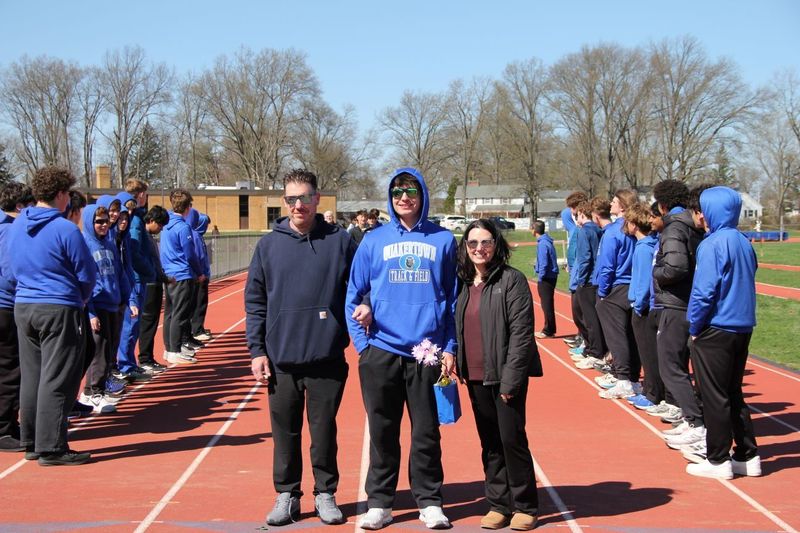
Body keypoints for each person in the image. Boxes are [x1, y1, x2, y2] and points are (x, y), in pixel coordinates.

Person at [345, 167, 457, 530]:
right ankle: (380, 501)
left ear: (422, 194)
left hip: (426, 351)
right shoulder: (373, 240)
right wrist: (364, 346)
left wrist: (449, 346)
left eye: (410, 190)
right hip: (381, 350)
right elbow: (352, 295)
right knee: (382, 430)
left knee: (426, 431)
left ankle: (429, 501)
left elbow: (453, 299)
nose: (404, 197)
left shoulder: (443, 240)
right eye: (396, 192)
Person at [246, 169, 357, 527]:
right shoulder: (267, 246)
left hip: (326, 357)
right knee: (285, 434)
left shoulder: (340, 241)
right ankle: (287, 495)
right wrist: (257, 351)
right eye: (292, 199)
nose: (299, 205)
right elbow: (255, 302)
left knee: (324, 431)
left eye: (305, 198)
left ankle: (325, 493)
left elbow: (362, 284)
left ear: (317, 199)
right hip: (281, 360)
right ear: (284, 202)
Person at [455, 219, 542, 531]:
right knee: (490, 442)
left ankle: (525, 505)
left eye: (486, 242)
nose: (480, 248)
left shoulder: (512, 280)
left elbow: (521, 335)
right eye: (473, 243)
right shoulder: (463, 283)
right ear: (465, 248)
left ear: (496, 244)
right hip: (475, 375)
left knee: (511, 439)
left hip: (505, 376)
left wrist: (511, 379)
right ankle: (498, 503)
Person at [7, 166, 96, 465]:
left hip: (24, 305)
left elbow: (9, 268)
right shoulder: (65, 228)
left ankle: (31, 440)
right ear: (60, 194)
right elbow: (86, 272)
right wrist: (80, 298)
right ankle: (52, 447)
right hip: (58, 306)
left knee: (32, 376)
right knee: (59, 377)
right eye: (68, 195)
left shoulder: (18, 225)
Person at [685, 186, 760, 479]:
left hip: (716, 326)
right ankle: (746, 454)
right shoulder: (743, 241)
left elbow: (704, 292)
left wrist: (694, 326)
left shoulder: (712, 244)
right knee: (733, 391)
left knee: (713, 395)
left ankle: (717, 459)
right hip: (743, 325)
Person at [652, 180, 707, 450]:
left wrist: (656, 273)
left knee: (670, 366)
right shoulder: (692, 228)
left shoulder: (674, 228)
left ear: (662, 204)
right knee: (680, 364)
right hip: (688, 302)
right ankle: (692, 417)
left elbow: (675, 267)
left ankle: (697, 423)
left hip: (676, 304)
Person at [79, 204, 138, 413]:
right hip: (98, 304)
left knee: (110, 350)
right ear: (89, 222)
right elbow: (84, 280)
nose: (104, 225)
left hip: (114, 304)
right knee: (99, 351)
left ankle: (99, 389)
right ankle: (92, 392)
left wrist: (128, 299)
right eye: (98, 222)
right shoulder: (85, 245)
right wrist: (92, 312)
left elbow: (121, 274)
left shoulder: (111, 244)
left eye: (105, 221)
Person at [594, 190, 640, 399]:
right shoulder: (636, 229)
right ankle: (631, 378)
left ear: (622, 206)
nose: (610, 204)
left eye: (613, 201)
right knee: (631, 335)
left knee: (616, 336)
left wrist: (603, 293)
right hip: (634, 286)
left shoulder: (613, 232)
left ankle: (623, 379)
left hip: (617, 287)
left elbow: (607, 266)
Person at [0, 181, 34, 452]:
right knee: (11, 369)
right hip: (6, 305)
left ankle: (8, 423)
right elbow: (11, 272)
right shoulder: (10, 231)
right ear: (21, 206)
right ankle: (4, 428)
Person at [623, 203, 662, 410]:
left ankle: (653, 393)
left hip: (644, 309)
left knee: (648, 353)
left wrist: (639, 304)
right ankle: (651, 389)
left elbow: (646, 280)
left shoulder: (645, 249)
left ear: (634, 224)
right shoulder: (643, 247)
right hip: (640, 304)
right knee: (645, 351)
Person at [161, 189, 206, 364]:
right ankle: (174, 349)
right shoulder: (182, 227)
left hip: (169, 273)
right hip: (181, 273)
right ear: (188, 207)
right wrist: (199, 272)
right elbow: (190, 253)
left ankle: (170, 348)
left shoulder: (166, 225)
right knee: (180, 314)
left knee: (170, 313)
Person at [570, 200, 605, 370]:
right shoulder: (599, 229)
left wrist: (581, 281)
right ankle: (597, 350)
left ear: (582, 215)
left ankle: (594, 352)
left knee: (590, 319)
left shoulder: (585, 231)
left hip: (588, 280)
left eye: (577, 216)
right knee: (595, 318)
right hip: (598, 278)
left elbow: (585, 258)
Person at [137, 206, 171, 373]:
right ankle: (144, 358)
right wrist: (155, 276)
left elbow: (156, 263)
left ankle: (147, 357)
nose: (161, 228)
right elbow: (148, 263)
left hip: (155, 282)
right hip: (149, 285)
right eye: (160, 224)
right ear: (151, 220)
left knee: (152, 322)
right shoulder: (143, 237)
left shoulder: (149, 237)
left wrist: (163, 277)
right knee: (147, 323)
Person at [561, 191, 587, 349]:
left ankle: (587, 343)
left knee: (583, 313)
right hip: (575, 271)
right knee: (577, 312)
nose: (571, 212)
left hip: (582, 276)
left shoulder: (585, 230)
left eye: (573, 208)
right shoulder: (575, 226)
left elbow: (584, 255)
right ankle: (582, 337)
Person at [186, 209, 212, 342]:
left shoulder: (198, 236)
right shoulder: (195, 236)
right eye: (205, 224)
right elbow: (198, 256)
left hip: (202, 274)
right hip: (199, 276)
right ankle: (197, 329)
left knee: (201, 303)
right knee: (198, 303)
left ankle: (198, 327)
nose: (207, 227)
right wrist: (201, 273)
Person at [533, 220, 558, 338]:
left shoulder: (543, 244)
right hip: (550, 276)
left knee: (546, 304)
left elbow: (544, 262)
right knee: (547, 304)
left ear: (534, 230)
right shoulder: (546, 241)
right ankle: (550, 329)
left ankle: (548, 330)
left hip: (547, 277)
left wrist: (540, 277)